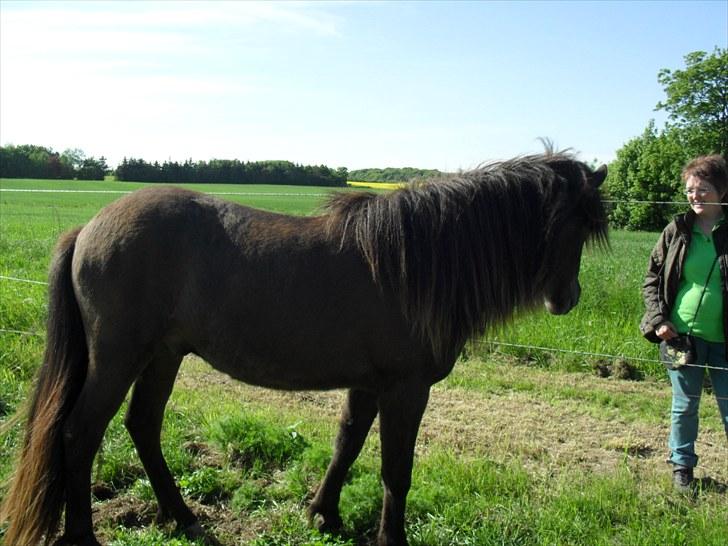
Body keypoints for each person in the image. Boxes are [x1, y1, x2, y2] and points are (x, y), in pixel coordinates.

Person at [640, 154, 728, 492]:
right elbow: (651, 278)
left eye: (703, 189)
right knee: (684, 407)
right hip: (682, 337)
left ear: (722, 190)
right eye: (690, 190)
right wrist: (658, 319)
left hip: (724, 341)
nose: (695, 196)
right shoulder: (676, 230)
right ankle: (682, 469)